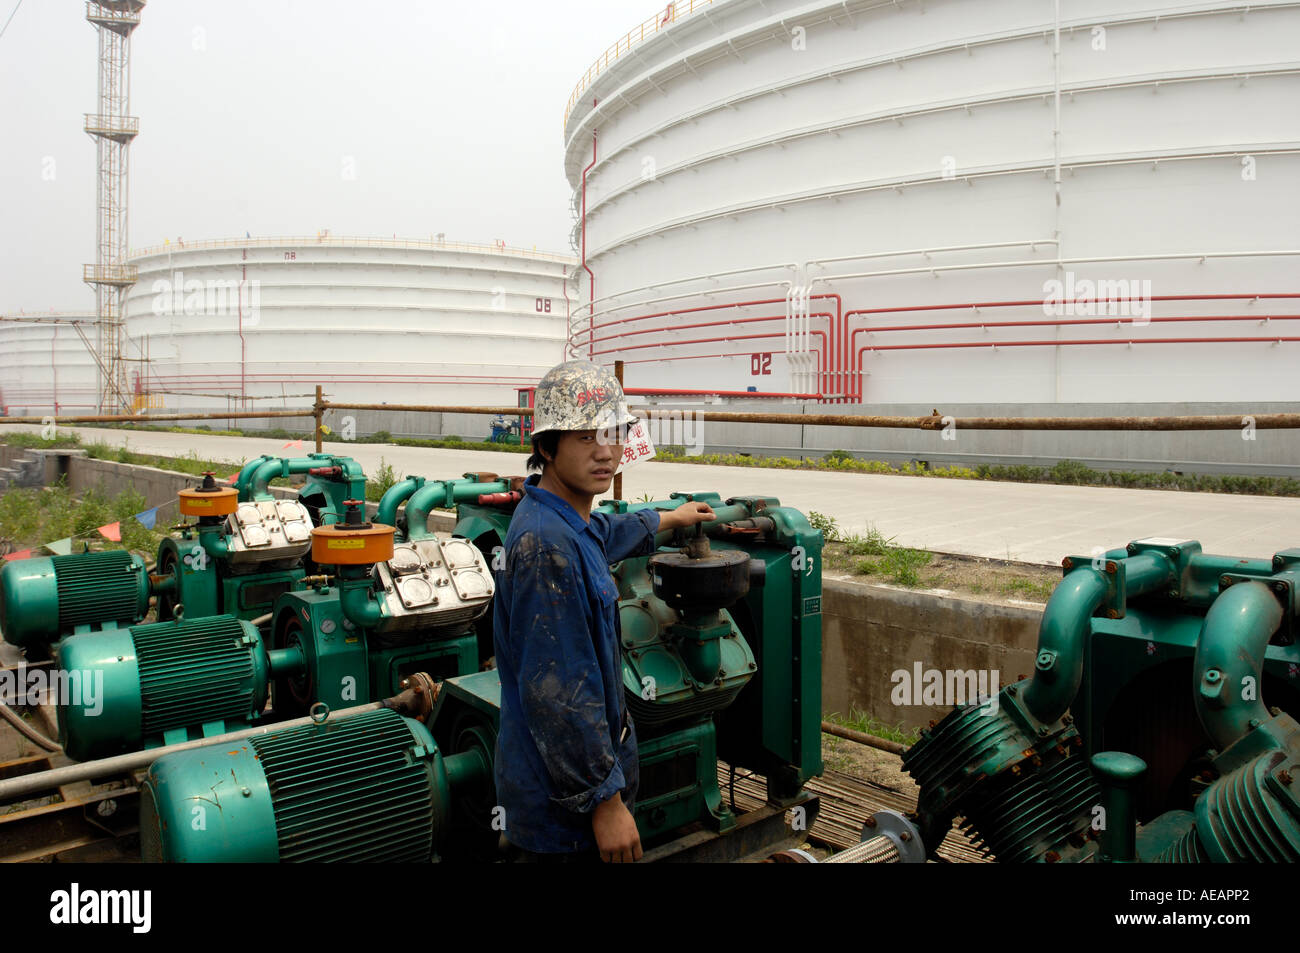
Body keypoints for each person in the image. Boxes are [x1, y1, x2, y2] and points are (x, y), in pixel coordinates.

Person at [493, 360, 714, 863]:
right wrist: (605, 802)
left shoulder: (567, 519)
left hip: (571, 791)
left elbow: (608, 534)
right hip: (563, 813)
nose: (606, 451)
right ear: (546, 447)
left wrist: (668, 517)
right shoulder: (546, 546)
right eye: (585, 437)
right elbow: (562, 690)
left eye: (614, 434)